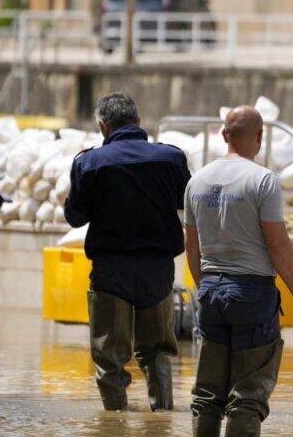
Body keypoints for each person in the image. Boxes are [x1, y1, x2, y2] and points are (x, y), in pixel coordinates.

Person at [184, 105, 293, 437]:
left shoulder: (196, 181)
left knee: (207, 395)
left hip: (211, 291)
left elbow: (191, 247)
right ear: (259, 138)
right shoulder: (263, 180)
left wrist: (205, 288)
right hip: (252, 294)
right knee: (247, 397)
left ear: (224, 135)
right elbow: (279, 246)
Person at [64, 93, 191, 412]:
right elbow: (185, 203)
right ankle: (161, 418)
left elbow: (75, 217)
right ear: (137, 121)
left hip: (111, 271)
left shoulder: (89, 162)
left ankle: (114, 422)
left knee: (109, 356)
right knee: (157, 352)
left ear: (102, 126)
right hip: (157, 271)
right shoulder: (171, 158)